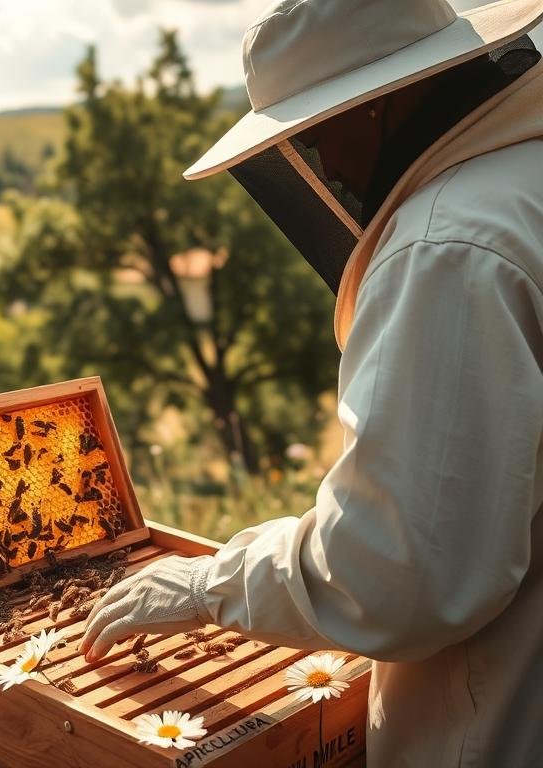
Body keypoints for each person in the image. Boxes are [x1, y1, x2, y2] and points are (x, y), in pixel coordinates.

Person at [78, 1, 543, 765]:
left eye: (318, 126)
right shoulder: (523, 183)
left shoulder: (448, 246)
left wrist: (206, 588)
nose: (315, 161)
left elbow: (399, 568)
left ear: (387, 94)